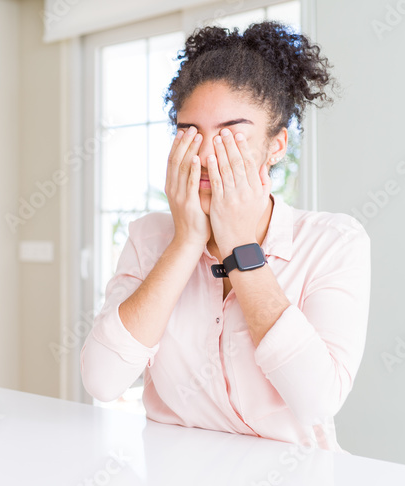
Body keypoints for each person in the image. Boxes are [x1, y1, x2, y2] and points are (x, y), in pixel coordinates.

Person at [80, 20, 370, 452]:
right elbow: (103, 381)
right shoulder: (149, 238)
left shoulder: (333, 242)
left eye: (230, 134)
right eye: (189, 133)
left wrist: (239, 246)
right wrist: (184, 243)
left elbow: (318, 401)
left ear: (276, 145)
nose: (203, 154)